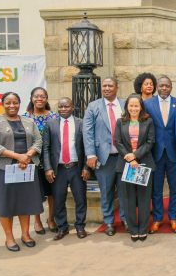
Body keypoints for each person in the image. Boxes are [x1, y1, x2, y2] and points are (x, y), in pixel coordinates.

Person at [0, 92, 43, 252]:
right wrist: (17, 156)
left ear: (19, 103)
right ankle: (9, 238)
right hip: (2, 169)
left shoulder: (29, 121)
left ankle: (25, 235)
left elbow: (38, 141)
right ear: (3, 103)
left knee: (26, 202)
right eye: (8, 102)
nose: (12, 106)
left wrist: (28, 156)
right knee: (6, 204)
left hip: (26, 168)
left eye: (15, 102)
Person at [83, 77, 127, 236]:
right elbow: (87, 132)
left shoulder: (124, 105)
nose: (107, 88)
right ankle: (108, 222)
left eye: (110, 86)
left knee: (125, 191)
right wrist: (90, 154)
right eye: (104, 86)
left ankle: (125, 219)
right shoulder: (93, 107)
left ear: (117, 87)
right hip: (104, 158)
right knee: (106, 192)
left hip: (123, 157)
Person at [43, 97, 90, 240]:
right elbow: (46, 148)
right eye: (61, 106)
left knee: (80, 199)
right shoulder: (50, 124)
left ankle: (80, 226)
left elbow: (88, 147)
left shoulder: (81, 123)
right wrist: (48, 168)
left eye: (66, 106)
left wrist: (86, 167)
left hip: (76, 167)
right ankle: (62, 228)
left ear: (73, 107)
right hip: (59, 169)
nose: (63, 109)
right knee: (58, 200)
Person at [144, 75, 176, 233]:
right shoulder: (148, 104)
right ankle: (157, 218)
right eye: (161, 86)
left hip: (174, 152)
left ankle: (173, 218)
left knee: (175, 188)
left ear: (171, 87)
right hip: (155, 153)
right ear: (157, 87)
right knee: (157, 189)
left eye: (167, 86)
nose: (164, 88)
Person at [114, 94, 156, 242]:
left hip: (144, 163)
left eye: (136, 105)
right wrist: (129, 157)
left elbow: (150, 142)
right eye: (131, 106)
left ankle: (143, 229)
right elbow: (117, 142)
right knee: (128, 199)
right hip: (126, 165)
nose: (133, 108)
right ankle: (133, 229)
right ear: (127, 107)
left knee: (144, 199)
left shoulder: (148, 121)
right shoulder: (120, 122)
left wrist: (135, 155)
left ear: (141, 107)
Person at [22, 87, 59, 234]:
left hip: (50, 160)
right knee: (36, 192)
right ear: (31, 98)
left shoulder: (54, 117)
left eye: (43, 96)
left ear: (46, 99)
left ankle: (51, 219)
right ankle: (37, 221)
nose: (39, 99)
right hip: (33, 160)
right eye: (36, 96)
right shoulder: (24, 117)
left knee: (52, 192)